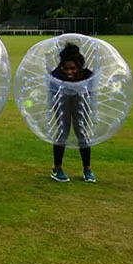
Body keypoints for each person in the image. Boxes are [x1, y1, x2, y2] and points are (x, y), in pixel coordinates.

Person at [49, 43, 96, 183]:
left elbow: (93, 89)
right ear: (62, 67)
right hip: (62, 101)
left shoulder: (87, 74)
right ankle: (57, 169)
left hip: (80, 101)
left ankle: (87, 169)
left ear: (79, 66)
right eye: (66, 69)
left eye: (73, 69)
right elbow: (51, 91)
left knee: (81, 131)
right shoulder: (56, 74)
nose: (69, 72)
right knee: (62, 131)